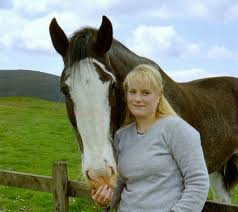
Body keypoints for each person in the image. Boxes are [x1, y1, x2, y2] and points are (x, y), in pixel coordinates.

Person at [91, 64, 210, 211]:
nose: (137, 99)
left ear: (159, 95)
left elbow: (198, 182)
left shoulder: (177, 130)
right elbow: (121, 183)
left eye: (146, 93)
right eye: (132, 92)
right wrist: (106, 201)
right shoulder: (122, 136)